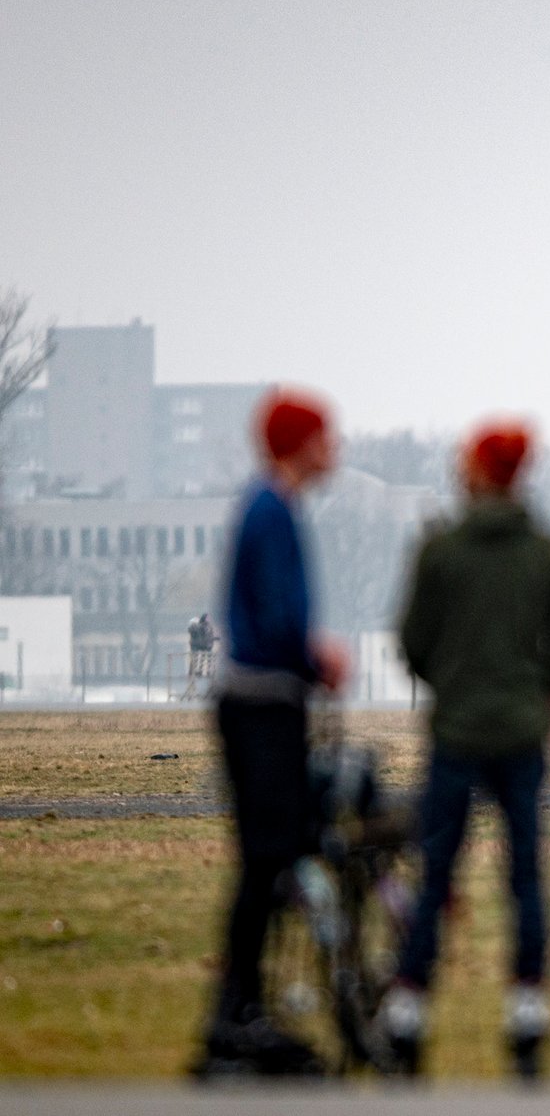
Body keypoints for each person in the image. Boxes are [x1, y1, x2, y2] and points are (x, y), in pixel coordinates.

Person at [378, 422, 550, 1079]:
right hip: (523, 732)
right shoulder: (546, 554)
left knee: (436, 873)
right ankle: (528, 1005)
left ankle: (410, 1005)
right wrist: (537, 693)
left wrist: (452, 682)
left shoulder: (441, 549)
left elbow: (412, 641)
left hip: (457, 731)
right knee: (525, 875)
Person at [196, 389, 348, 1075]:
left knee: (268, 857)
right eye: (326, 436)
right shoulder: (273, 511)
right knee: (267, 855)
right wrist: (318, 656)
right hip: (264, 703)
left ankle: (243, 1003)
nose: (334, 449)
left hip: (260, 699)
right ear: (300, 442)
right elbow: (280, 616)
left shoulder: (268, 506)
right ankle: (238, 1009)